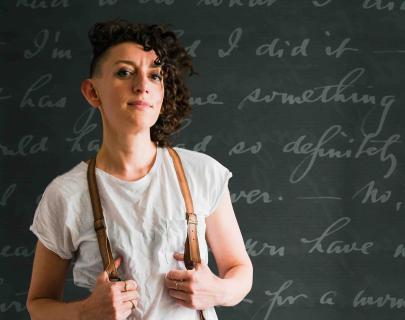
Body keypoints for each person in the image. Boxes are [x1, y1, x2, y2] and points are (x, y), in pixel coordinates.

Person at [26, 18, 253, 320]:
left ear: (161, 93)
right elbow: (38, 304)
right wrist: (85, 312)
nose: (143, 85)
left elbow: (240, 270)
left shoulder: (202, 172)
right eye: (124, 72)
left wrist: (219, 291)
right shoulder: (65, 194)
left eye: (155, 76)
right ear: (93, 92)